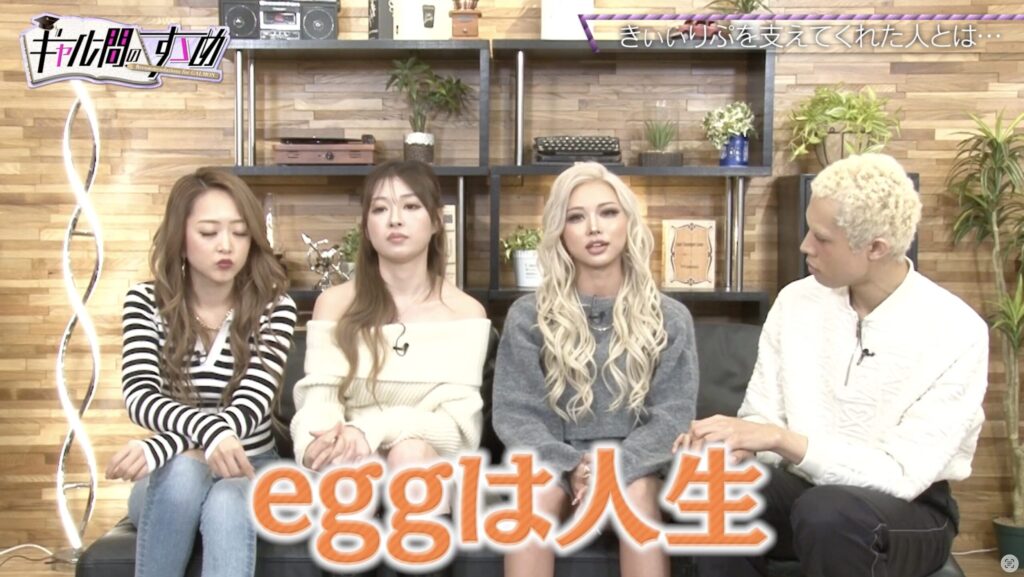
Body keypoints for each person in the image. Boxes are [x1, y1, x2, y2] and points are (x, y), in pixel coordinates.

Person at [677, 153, 988, 577]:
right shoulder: (795, 301)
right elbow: (762, 418)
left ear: (875, 248)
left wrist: (781, 440)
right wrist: (734, 445)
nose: (805, 245)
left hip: (908, 511)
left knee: (827, 511)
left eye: (822, 238)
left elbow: (901, 475)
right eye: (809, 229)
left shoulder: (956, 330)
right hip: (802, 492)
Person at [493, 162, 699, 577]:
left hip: (640, 467)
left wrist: (612, 470)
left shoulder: (671, 317)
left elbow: (672, 417)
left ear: (628, 222)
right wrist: (571, 465)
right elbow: (517, 414)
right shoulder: (527, 316)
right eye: (576, 217)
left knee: (636, 498)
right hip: (554, 464)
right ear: (560, 232)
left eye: (607, 212)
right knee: (532, 501)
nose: (594, 228)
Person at [104, 168, 297, 577]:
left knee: (228, 501)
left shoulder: (274, 307)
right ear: (180, 237)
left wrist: (162, 445)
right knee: (184, 473)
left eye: (240, 232)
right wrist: (196, 442)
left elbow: (251, 406)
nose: (226, 245)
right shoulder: (144, 301)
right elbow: (139, 395)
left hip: (252, 463)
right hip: (172, 471)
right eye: (209, 232)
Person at [289, 159, 489, 483]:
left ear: (436, 221)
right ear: (366, 228)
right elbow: (320, 402)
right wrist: (317, 445)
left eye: (411, 206)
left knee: (409, 453)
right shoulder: (335, 304)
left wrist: (372, 429)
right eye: (380, 209)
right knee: (346, 464)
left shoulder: (466, 313)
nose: (395, 219)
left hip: (430, 465)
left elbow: (458, 431)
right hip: (352, 460)